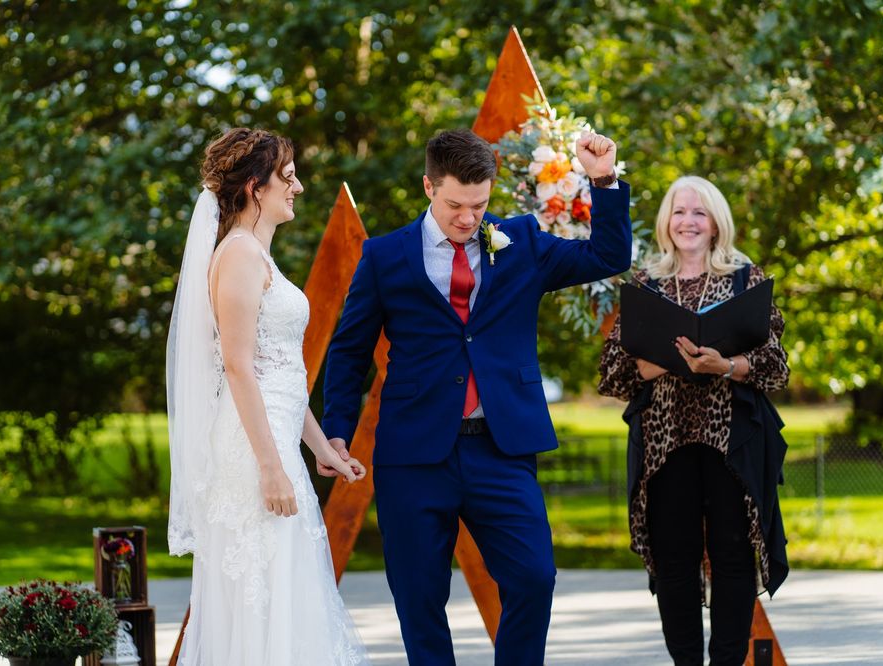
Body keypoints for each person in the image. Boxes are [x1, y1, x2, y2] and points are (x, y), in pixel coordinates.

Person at [321, 128, 632, 665]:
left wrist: (602, 179)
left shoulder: (524, 242)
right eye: (455, 205)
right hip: (414, 455)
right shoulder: (385, 256)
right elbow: (349, 352)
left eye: (479, 204)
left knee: (535, 578)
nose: (468, 218)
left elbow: (609, 255)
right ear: (427, 187)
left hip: (502, 448)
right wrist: (336, 433)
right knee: (419, 600)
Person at [165, 127, 370, 666]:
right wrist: (271, 468)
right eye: (289, 175)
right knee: (262, 602)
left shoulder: (257, 255)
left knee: (286, 595)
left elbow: (277, 373)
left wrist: (322, 448)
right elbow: (237, 368)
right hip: (251, 457)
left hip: (274, 448)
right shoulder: (237, 255)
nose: (297, 186)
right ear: (256, 187)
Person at [598, 175, 790, 665]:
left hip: (732, 439)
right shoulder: (646, 286)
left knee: (732, 556)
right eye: (679, 211)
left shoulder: (747, 280)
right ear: (666, 221)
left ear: (715, 222)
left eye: (699, 212)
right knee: (675, 561)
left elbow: (776, 368)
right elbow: (615, 374)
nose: (688, 221)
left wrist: (723, 365)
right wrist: (667, 361)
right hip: (666, 444)